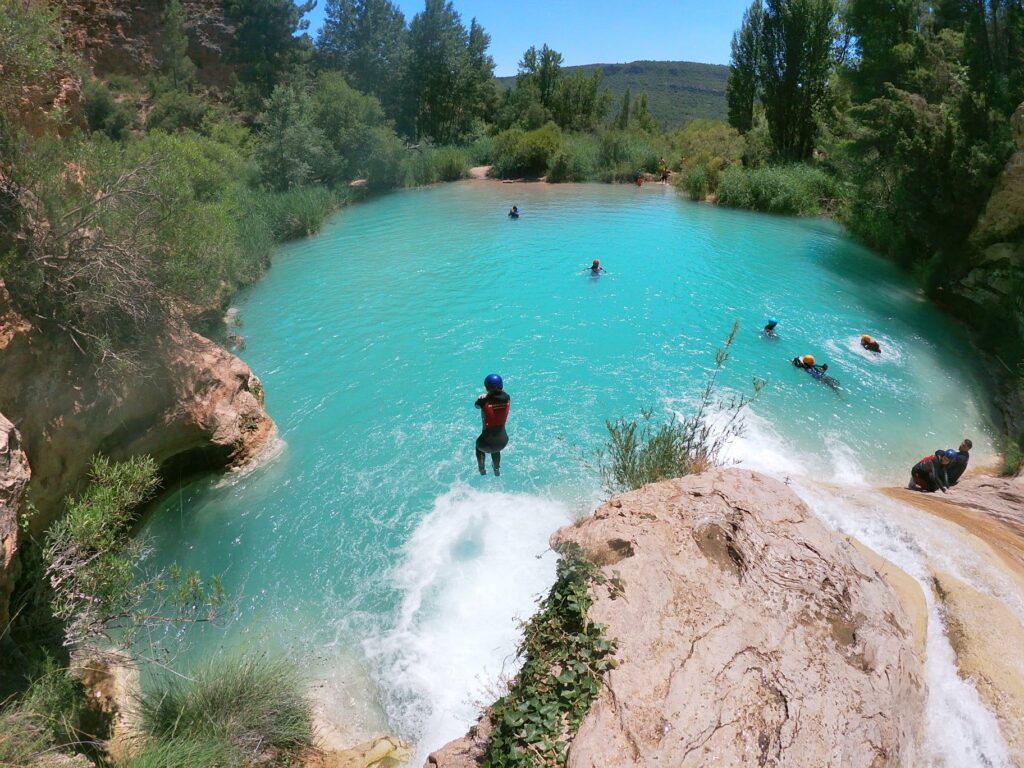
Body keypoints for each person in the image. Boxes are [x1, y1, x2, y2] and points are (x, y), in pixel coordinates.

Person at [475, 373, 510, 476]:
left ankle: (482, 469)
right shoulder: (507, 398)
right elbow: (501, 394)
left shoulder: (483, 400)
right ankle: (496, 469)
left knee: (479, 446)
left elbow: (477, 406)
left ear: (487, 388)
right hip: (502, 442)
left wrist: (482, 397)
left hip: (485, 444)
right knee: (495, 448)